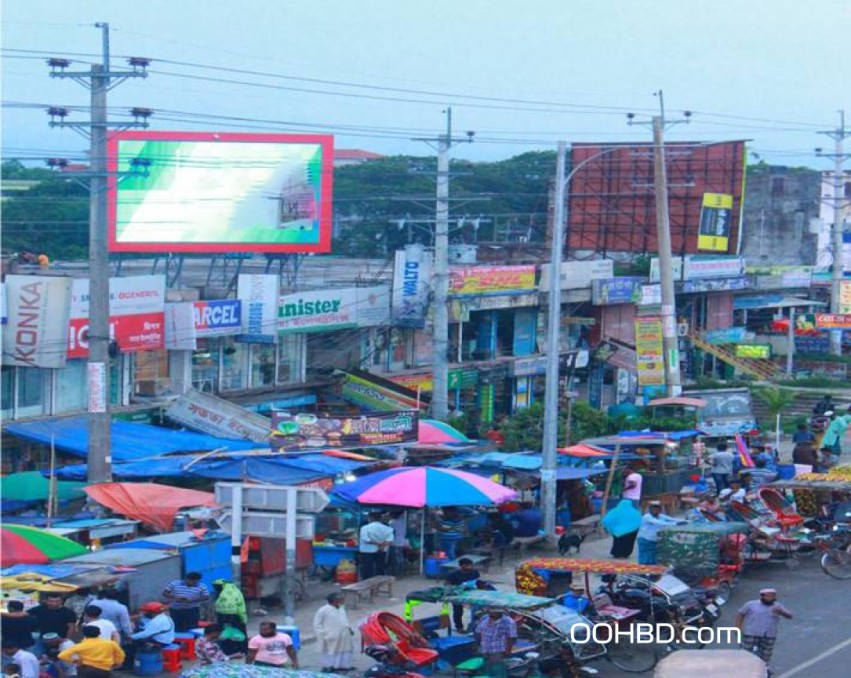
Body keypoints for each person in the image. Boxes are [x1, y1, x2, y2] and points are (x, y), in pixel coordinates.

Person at [735, 588, 793, 672]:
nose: (770, 598)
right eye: (768, 596)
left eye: (772, 596)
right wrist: (738, 628)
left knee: (766, 654)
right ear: (762, 596)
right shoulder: (751, 604)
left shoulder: (778, 606)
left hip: (769, 634)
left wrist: (781, 612)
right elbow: (740, 614)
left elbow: (790, 616)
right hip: (752, 633)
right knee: (746, 652)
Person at [57, 625, 124, 678]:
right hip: (104, 670)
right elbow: (121, 654)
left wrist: (76, 661)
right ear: (99, 633)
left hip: (85, 669)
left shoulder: (81, 645)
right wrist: (116, 663)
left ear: (84, 635)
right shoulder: (110, 643)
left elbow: (62, 655)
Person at [313, 593, 355, 672]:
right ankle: (329, 666)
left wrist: (349, 629)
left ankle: (344, 666)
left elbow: (344, 620)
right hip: (331, 635)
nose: (343, 601)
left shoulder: (341, 608)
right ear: (335, 601)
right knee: (331, 651)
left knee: (345, 650)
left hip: (344, 634)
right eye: (341, 600)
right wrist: (322, 635)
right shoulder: (323, 610)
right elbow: (317, 624)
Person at [474, 609, 517, 678]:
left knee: (497, 670)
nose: (492, 611)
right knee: (486, 668)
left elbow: (511, 637)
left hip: (498, 650)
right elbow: (478, 632)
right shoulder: (485, 618)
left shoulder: (508, 621)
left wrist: (508, 650)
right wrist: (476, 645)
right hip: (484, 648)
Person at [444, 558, 481, 633]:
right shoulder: (453, 574)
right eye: (468, 565)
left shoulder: (474, 572)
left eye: (471, 565)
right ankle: (459, 627)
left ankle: (475, 627)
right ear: (462, 566)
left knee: (476, 611)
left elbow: (478, 582)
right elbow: (447, 585)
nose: (470, 567)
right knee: (458, 611)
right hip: (458, 595)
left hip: (472, 593)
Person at [358, 512, 394, 580]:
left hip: (367, 550)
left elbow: (365, 539)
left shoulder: (365, 528)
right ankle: (379, 581)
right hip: (382, 550)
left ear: (370, 518)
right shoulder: (387, 528)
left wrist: (376, 543)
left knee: (367, 567)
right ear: (380, 518)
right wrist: (381, 545)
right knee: (380, 566)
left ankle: (367, 581)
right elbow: (390, 540)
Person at [388, 510, 409, 576]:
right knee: (400, 557)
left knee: (395, 559)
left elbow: (390, 532)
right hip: (401, 542)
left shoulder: (391, 522)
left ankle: (395, 573)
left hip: (394, 542)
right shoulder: (403, 522)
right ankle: (401, 572)